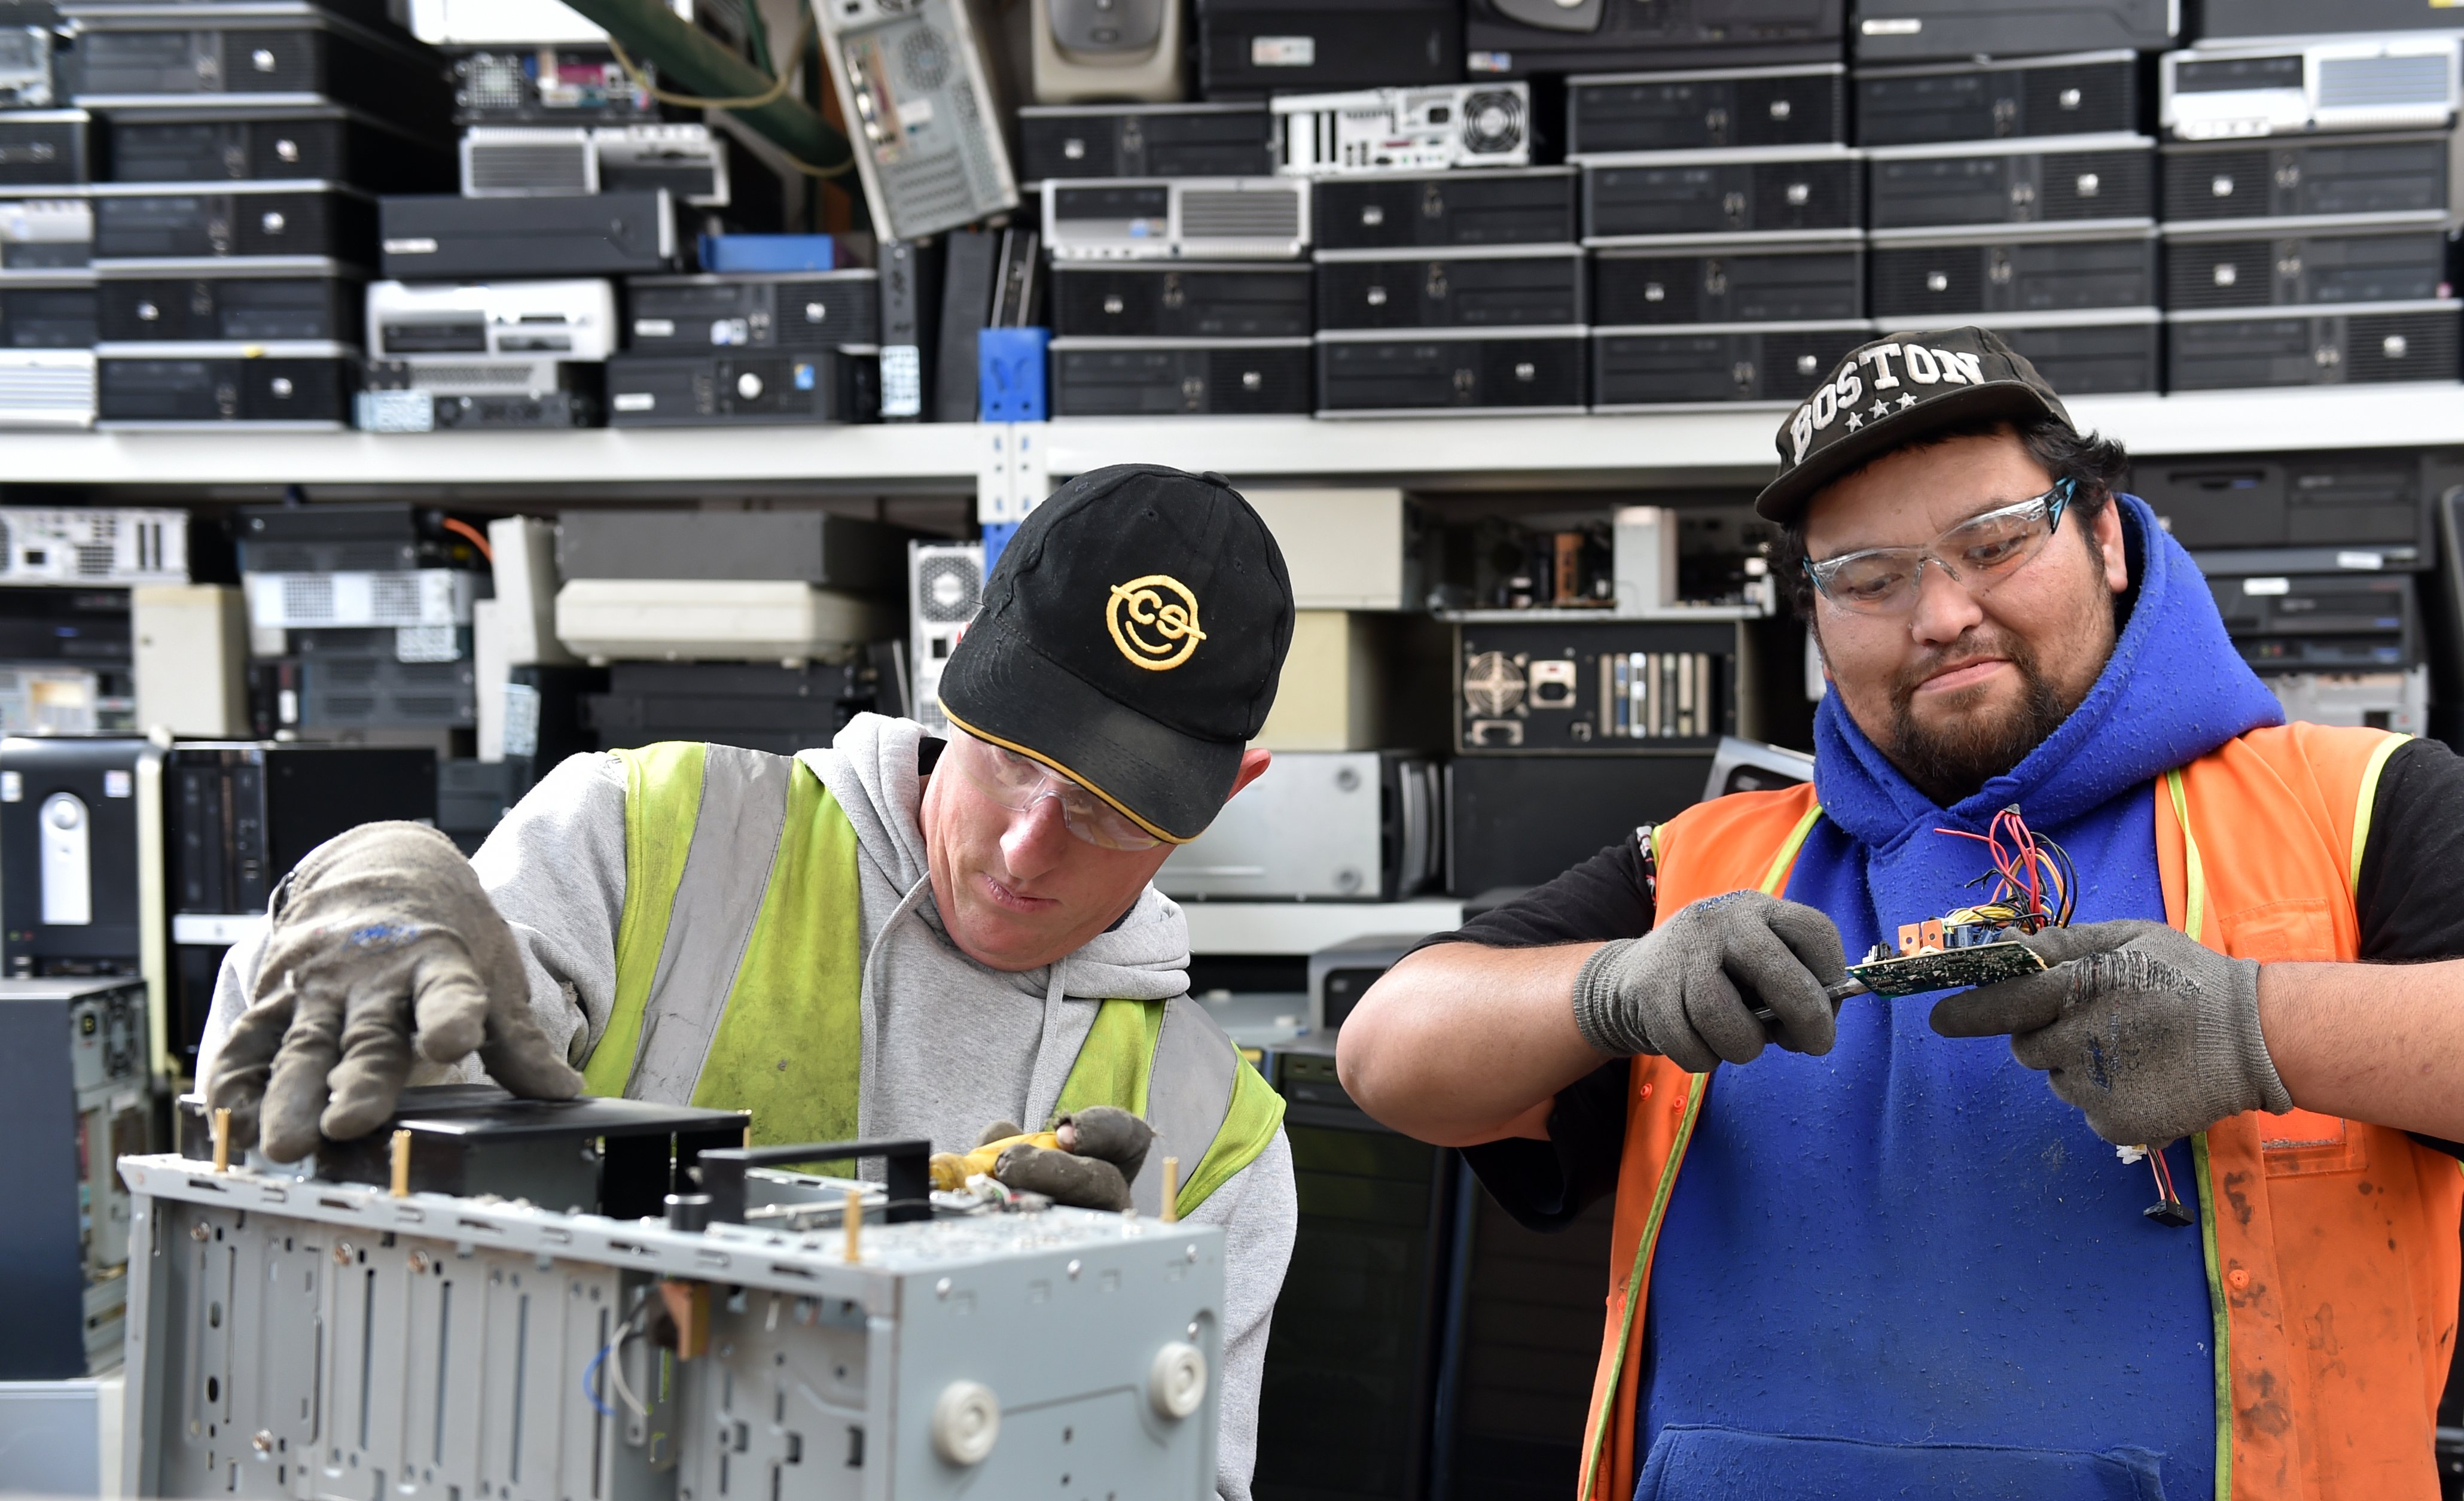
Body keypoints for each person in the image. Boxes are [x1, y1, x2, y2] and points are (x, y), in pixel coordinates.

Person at [1337, 327, 2464, 1501]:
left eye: (1990, 542)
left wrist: (2253, 1023)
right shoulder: (1710, 862)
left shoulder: (2357, 805)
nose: (1937, 614)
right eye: (1867, 576)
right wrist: (1610, 988)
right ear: (1816, 617)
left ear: (2106, 538)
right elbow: (1384, 1050)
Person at [197, 464, 1301, 1501]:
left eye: (1109, 808)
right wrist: (357, 904)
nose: (1025, 847)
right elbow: (324, 1114)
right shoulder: (648, 836)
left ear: (1232, 788)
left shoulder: (1212, 1135)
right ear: (956, 666)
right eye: (1012, 753)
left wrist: (1056, 1390)